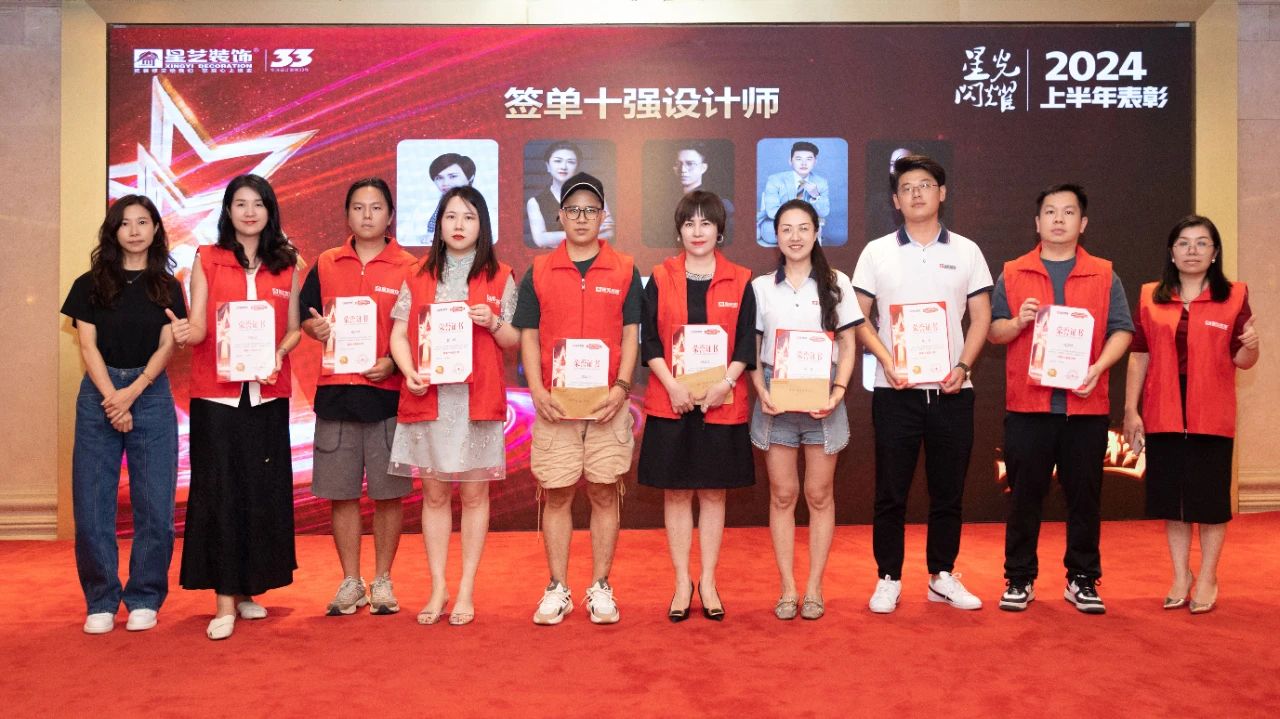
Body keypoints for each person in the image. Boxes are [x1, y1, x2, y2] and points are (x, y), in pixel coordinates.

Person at [852, 154, 992, 614]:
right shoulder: (876, 252)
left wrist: (964, 366)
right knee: (890, 491)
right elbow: (859, 317)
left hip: (953, 390)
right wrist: (886, 359)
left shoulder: (967, 251)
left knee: (948, 490)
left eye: (925, 185)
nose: (916, 194)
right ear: (895, 200)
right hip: (895, 391)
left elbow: (981, 318)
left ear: (942, 193)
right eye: (907, 188)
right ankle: (888, 577)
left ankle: (941, 575)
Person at [987, 184, 1133, 614]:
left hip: (1085, 408)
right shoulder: (1013, 272)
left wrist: (1098, 367)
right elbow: (994, 331)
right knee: (1024, 498)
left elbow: (1122, 330)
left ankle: (1082, 579)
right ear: (1037, 222)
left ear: (1082, 223)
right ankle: (1019, 578)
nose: (1058, 219)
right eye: (1050, 212)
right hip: (1028, 407)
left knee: (1085, 499)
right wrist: (1018, 322)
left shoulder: (1105, 274)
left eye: (1068, 212)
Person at [170, 174, 303, 640]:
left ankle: (248, 589)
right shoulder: (206, 258)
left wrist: (279, 354)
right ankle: (224, 600)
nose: (249, 212)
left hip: (267, 393)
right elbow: (199, 327)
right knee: (220, 492)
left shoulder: (287, 263)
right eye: (240, 203)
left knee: (259, 490)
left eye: (258, 204)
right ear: (227, 210)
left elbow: (293, 329)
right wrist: (185, 332)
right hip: (217, 395)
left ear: (270, 210)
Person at [751, 199, 897, 621]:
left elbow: (848, 343)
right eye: (786, 229)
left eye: (803, 228)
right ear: (775, 236)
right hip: (776, 399)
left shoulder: (837, 283)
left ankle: (814, 587)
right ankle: (787, 588)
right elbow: (752, 350)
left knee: (819, 495)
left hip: (823, 398)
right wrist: (760, 390)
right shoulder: (761, 287)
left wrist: (838, 391)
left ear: (816, 233)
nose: (795, 236)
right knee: (782, 495)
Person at [513, 172, 642, 624]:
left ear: (603, 216)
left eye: (590, 210)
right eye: (573, 210)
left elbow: (632, 334)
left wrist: (622, 387)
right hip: (556, 405)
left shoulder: (625, 268)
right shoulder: (539, 271)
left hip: (607, 404)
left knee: (605, 492)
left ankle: (601, 586)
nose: (582, 218)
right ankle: (558, 587)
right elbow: (529, 336)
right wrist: (536, 390)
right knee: (557, 494)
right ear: (560, 216)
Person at [388, 186, 519, 626]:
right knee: (435, 494)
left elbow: (514, 339)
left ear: (483, 225)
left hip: (476, 400)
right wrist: (408, 370)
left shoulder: (501, 276)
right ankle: (438, 586)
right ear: (439, 224)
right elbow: (399, 334)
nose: (459, 225)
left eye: (468, 217)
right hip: (432, 398)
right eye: (450, 216)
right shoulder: (417, 274)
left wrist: (494, 322)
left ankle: (466, 590)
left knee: (475, 495)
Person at [62, 195, 186, 634]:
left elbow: (169, 344)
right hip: (99, 393)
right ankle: (100, 600)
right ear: (113, 231)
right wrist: (113, 397)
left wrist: (131, 393)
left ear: (155, 230)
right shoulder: (89, 283)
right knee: (92, 505)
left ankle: (144, 597)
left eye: (143, 222)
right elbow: (87, 345)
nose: (134, 231)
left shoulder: (168, 287)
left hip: (149, 392)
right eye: (125, 223)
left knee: (155, 505)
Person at [1124, 215, 1258, 615]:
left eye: (1202, 243)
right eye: (1184, 243)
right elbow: (1139, 354)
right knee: (1174, 500)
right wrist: (1131, 410)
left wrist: (1252, 346)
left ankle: (1209, 576)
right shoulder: (1151, 296)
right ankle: (1180, 576)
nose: (1192, 251)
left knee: (1210, 502)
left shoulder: (1234, 296)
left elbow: (1243, 360)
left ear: (1215, 253)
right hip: (1164, 409)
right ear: (1172, 252)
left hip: (1211, 413)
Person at [300, 178, 416, 617]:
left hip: (386, 397)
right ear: (347, 214)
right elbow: (306, 316)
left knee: (388, 494)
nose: (367, 215)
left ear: (390, 215)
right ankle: (351, 580)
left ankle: (383, 579)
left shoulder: (409, 267)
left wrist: (393, 364)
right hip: (336, 394)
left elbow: (418, 330)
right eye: (358, 207)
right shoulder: (326, 262)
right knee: (341, 493)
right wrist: (315, 329)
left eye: (376, 207)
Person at [638, 191, 755, 622]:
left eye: (706, 223)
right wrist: (672, 386)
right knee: (676, 491)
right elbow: (650, 341)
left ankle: (707, 580)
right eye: (689, 223)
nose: (698, 231)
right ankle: (681, 582)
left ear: (719, 230)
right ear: (680, 231)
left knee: (712, 491)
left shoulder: (740, 279)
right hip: (672, 401)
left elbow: (746, 342)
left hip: (721, 402)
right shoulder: (659, 276)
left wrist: (726, 384)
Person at [526, 142, 614, 247]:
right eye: (558, 161)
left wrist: (556, 237)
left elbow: (609, 233)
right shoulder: (535, 202)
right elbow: (541, 240)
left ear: (577, 167)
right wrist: (588, 232)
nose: (563, 167)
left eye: (571, 162)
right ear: (548, 166)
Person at [757, 141, 830, 245]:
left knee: (810, 235)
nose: (804, 163)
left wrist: (815, 196)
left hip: (806, 226)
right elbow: (772, 212)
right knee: (773, 235)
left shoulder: (821, 182)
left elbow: (824, 212)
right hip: (777, 224)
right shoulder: (775, 180)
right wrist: (797, 220)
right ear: (790, 161)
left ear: (815, 162)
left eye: (809, 159)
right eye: (798, 159)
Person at [425, 153, 475, 238]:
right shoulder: (433, 205)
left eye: (453, 176)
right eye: (439, 178)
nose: (445, 183)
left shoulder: (478, 205)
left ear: (470, 177)